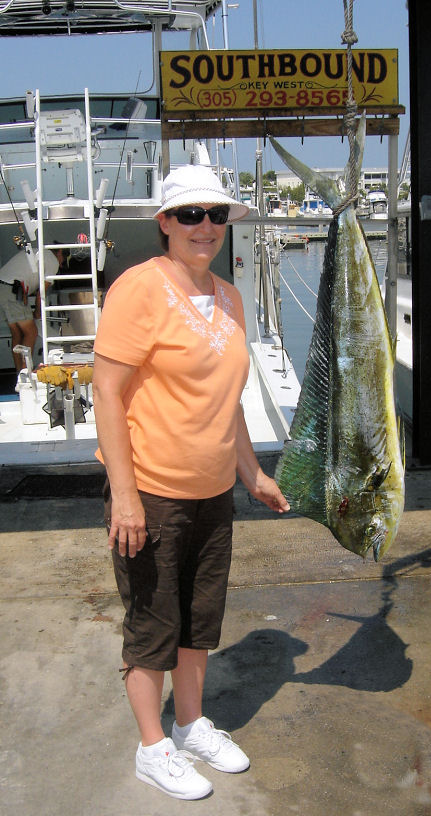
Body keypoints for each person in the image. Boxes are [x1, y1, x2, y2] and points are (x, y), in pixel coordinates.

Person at [92, 164, 290, 802]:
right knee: (153, 623)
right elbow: (107, 391)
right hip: (150, 490)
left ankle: (189, 722)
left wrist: (253, 473)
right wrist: (124, 496)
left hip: (213, 493)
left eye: (216, 214)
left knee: (201, 620)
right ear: (165, 224)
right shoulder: (138, 289)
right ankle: (153, 747)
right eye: (189, 214)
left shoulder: (230, 297)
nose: (204, 227)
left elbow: (227, 403)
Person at [0, 244, 59, 370]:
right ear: (60, 253)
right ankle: (26, 373)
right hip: (14, 290)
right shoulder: (53, 261)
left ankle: (20, 374)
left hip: (4, 287)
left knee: (17, 334)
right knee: (31, 332)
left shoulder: (40, 252)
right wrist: (37, 313)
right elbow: (41, 293)